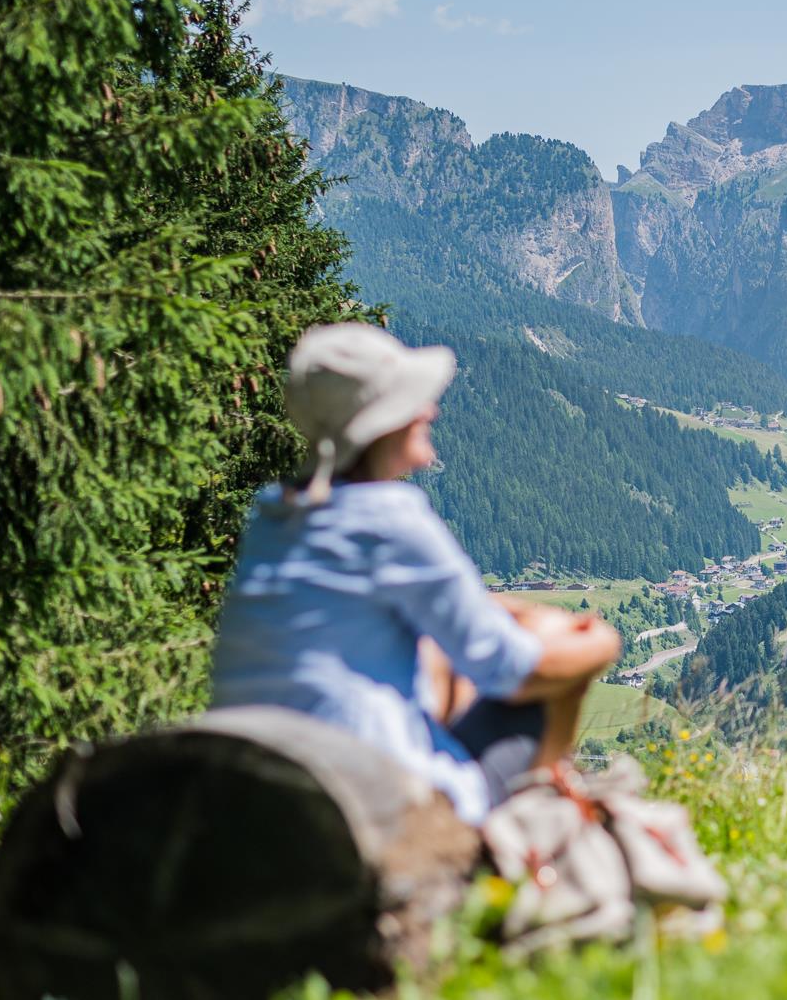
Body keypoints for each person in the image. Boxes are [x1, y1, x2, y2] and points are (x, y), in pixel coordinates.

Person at [210, 322, 621, 823]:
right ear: (382, 426)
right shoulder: (388, 517)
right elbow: (509, 669)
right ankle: (531, 831)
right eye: (412, 402)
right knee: (558, 669)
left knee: (437, 653)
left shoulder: (275, 513)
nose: (429, 409)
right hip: (382, 805)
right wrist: (600, 642)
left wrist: (510, 611)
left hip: (264, 794)